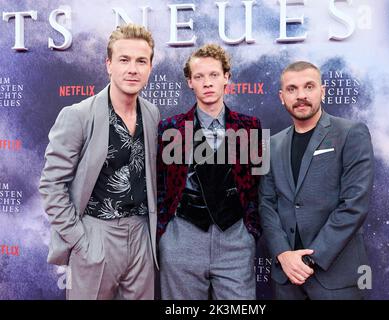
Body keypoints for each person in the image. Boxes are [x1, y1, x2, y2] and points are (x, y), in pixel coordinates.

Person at [39, 23, 159, 300]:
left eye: (141, 61)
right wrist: (81, 241)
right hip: (96, 233)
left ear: (150, 67)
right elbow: (52, 185)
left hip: (142, 234)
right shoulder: (78, 115)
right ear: (109, 64)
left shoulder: (152, 114)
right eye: (124, 60)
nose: (133, 69)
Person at [259, 61, 374, 300]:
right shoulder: (271, 145)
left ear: (322, 91)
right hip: (286, 279)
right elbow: (266, 205)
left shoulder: (351, 133)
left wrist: (309, 259)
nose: (301, 96)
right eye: (292, 89)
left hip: (336, 278)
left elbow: (354, 206)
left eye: (308, 87)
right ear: (282, 97)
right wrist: (283, 255)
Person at [157, 44, 262, 299]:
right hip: (182, 239)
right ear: (189, 82)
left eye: (214, 75)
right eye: (199, 76)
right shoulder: (170, 128)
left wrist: (251, 232)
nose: (207, 82)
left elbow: (258, 184)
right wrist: (166, 233)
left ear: (226, 77)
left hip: (235, 240)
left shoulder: (250, 127)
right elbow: (160, 186)